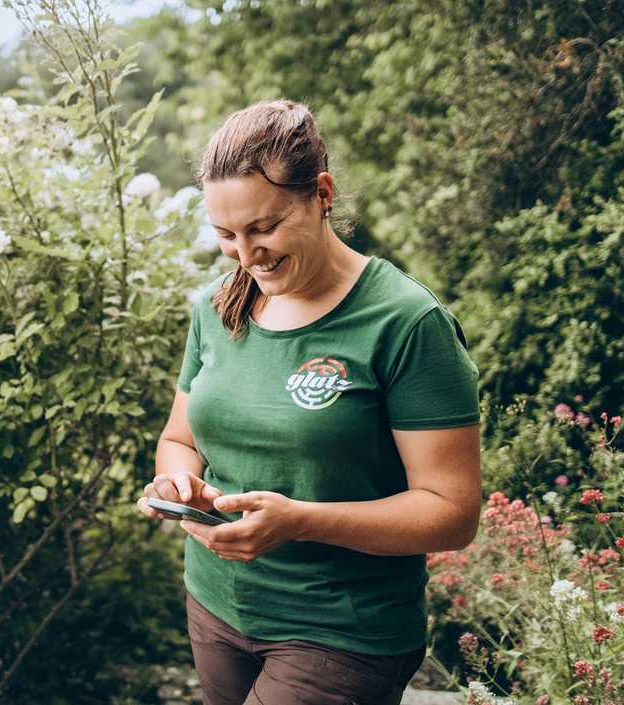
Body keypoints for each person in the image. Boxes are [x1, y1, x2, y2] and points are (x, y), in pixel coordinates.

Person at [136, 99, 482, 705]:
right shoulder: (218, 308)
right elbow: (180, 440)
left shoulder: (405, 322)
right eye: (226, 235)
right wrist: (177, 486)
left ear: (321, 193)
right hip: (217, 608)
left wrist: (300, 520)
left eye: (263, 228)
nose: (245, 257)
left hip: (342, 630)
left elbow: (452, 513)